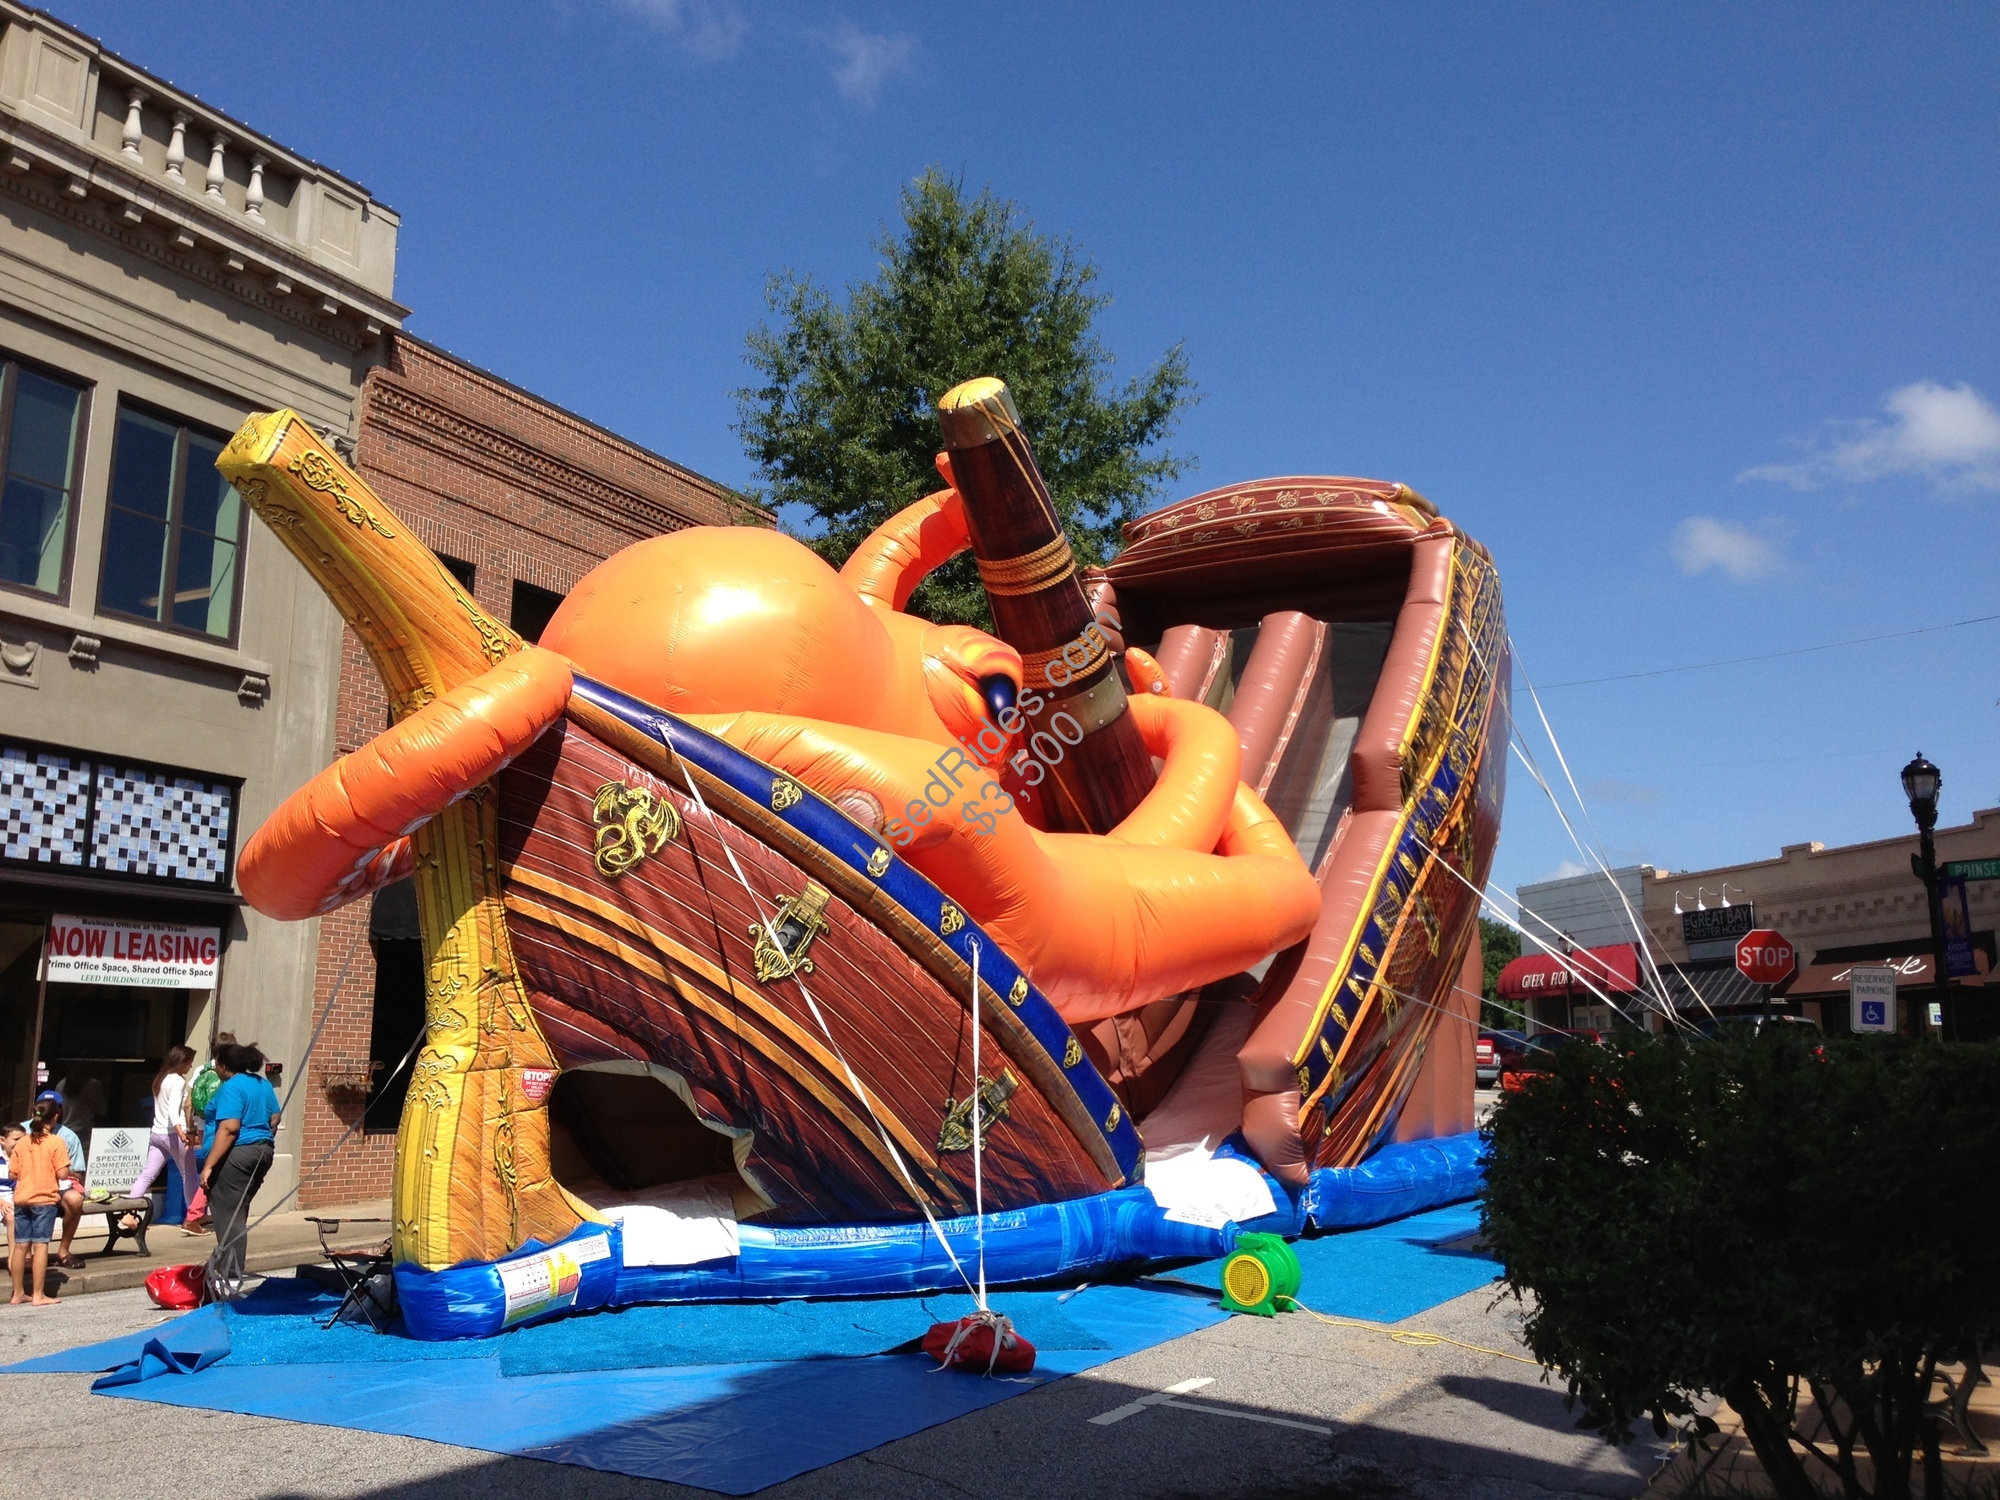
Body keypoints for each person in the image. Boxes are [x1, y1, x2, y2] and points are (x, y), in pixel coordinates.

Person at [200, 1043, 282, 1299]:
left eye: (217, 1064)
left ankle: (229, 1281)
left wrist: (209, 1165)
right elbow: (275, 1118)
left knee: (229, 1217)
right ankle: (218, 1272)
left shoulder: (232, 1087)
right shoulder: (261, 1084)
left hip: (236, 1154)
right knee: (236, 1213)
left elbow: (230, 1128)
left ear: (224, 1066)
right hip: (262, 1151)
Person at [126, 1046, 198, 1228]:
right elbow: (174, 1110)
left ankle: (128, 1213)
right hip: (174, 1134)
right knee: (189, 1175)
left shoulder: (161, 1079)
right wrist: (182, 1132)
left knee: (147, 1174)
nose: (190, 1066)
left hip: (157, 1133)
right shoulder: (178, 1081)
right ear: (181, 1062)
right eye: (189, 1062)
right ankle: (194, 1216)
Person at [9, 1098, 70, 1305]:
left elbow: (12, 1173)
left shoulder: (22, 1142)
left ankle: (18, 1293)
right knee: (41, 1245)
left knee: (20, 1246)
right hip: (44, 1199)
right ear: (55, 1117)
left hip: (22, 1198)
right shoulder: (55, 1142)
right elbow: (62, 1174)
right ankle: (38, 1294)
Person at [18, 1091, 87, 1271]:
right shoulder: (21, 1132)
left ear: (59, 1113)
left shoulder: (68, 1136)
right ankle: (26, 1256)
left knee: (75, 1199)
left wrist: (62, 1170)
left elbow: (77, 1174)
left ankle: (63, 1252)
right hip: (25, 1185)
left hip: (58, 1186)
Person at [181, 1031, 235, 1235]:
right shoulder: (230, 1074)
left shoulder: (201, 1070)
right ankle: (193, 1216)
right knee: (215, 1171)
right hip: (221, 1127)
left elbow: (188, 1104)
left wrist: (191, 1129)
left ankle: (204, 1214)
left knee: (212, 1169)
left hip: (203, 1127)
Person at [0, 1123, 20, 1256]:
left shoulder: (22, 1158)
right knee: (12, 1215)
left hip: (14, 1197)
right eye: (16, 1139)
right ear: (2, 1140)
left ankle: (14, 1258)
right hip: (1, 1198)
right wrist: (1, 1202)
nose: (20, 1143)